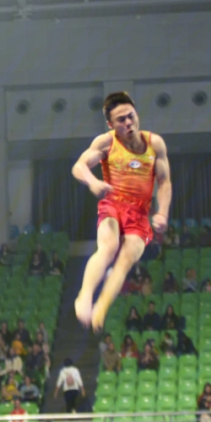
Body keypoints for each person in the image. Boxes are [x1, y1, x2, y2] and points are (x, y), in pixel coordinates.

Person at [72, 91, 172, 332]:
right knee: (108, 248)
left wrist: (162, 212)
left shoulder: (155, 144)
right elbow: (79, 166)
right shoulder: (106, 143)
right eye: (121, 120)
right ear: (110, 124)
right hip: (113, 204)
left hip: (140, 215)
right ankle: (84, 296)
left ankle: (101, 308)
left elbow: (165, 182)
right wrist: (93, 182)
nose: (128, 123)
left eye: (131, 116)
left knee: (126, 260)